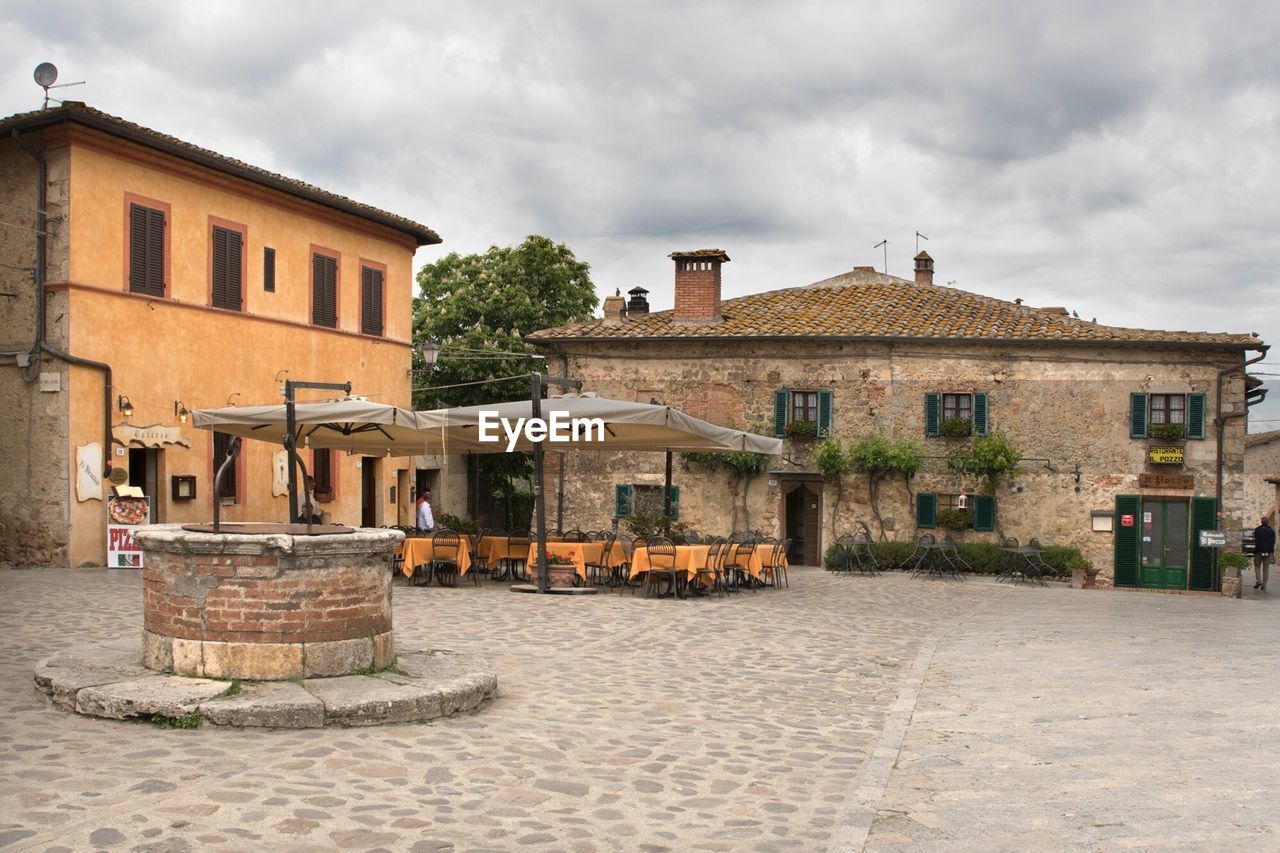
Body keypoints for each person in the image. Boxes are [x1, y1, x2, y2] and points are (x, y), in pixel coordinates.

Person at [1253, 516, 1275, 591]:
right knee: (1266, 568)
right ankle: (1264, 585)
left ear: (1261, 522)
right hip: (1268, 552)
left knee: (1257, 566)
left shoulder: (1257, 530)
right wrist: (1269, 551)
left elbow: (1257, 541)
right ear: (1268, 522)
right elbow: (1272, 542)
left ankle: (1258, 580)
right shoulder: (1272, 531)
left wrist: (1261, 549)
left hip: (1258, 551)